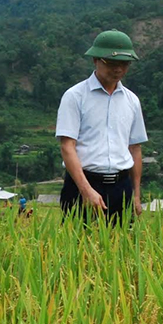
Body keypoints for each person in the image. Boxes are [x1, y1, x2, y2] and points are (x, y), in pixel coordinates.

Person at [56, 29, 148, 225]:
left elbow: (135, 149)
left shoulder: (132, 100)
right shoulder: (75, 96)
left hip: (120, 186)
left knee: (120, 248)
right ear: (95, 60)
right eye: (112, 64)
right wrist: (86, 190)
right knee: (76, 248)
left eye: (124, 64)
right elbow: (67, 147)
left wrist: (136, 195)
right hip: (83, 183)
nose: (118, 70)